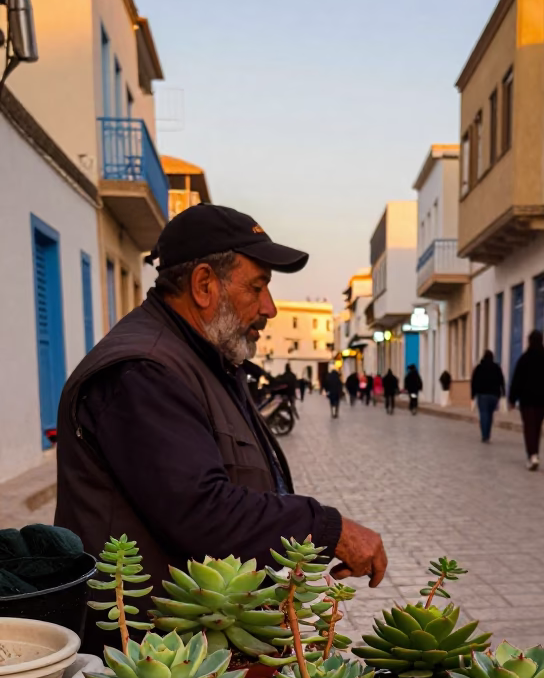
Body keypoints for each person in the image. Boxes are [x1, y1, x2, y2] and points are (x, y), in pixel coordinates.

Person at [54, 205, 387, 653]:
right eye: (258, 286)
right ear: (205, 285)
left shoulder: (204, 357)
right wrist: (329, 530)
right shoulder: (144, 371)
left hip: (202, 644)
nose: (268, 307)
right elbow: (202, 512)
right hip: (156, 662)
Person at [508, 330, 544, 471]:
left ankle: (532, 455)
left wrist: (512, 399)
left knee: (529, 427)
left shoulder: (524, 359)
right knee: (537, 427)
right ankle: (534, 453)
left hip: (527, 400)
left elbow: (516, 380)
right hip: (543, 400)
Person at [471, 350, 505, 442]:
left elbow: (474, 382)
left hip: (482, 395)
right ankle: (488, 434)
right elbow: (501, 381)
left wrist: (473, 394)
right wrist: (503, 393)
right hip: (494, 395)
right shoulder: (496, 367)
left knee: (483, 414)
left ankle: (484, 435)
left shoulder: (479, 368)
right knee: (490, 414)